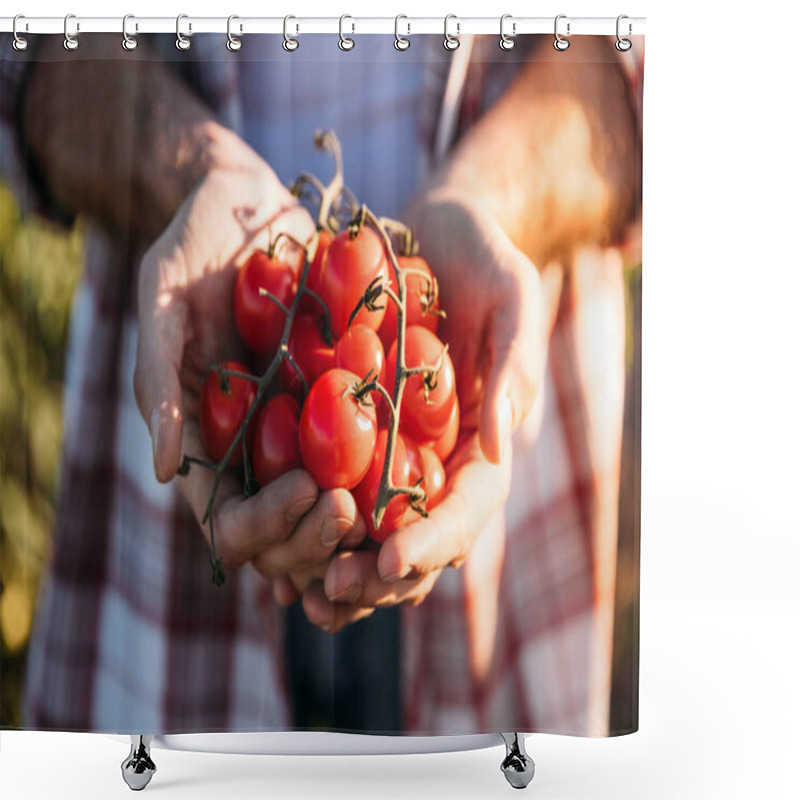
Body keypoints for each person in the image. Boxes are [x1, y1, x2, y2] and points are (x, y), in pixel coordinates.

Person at [0, 31, 641, 735]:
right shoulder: (324, 357)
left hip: (510, 529)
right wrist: (187, 173)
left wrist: (491, 197)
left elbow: (646, 74)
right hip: (160, 521)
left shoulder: (394, 370)